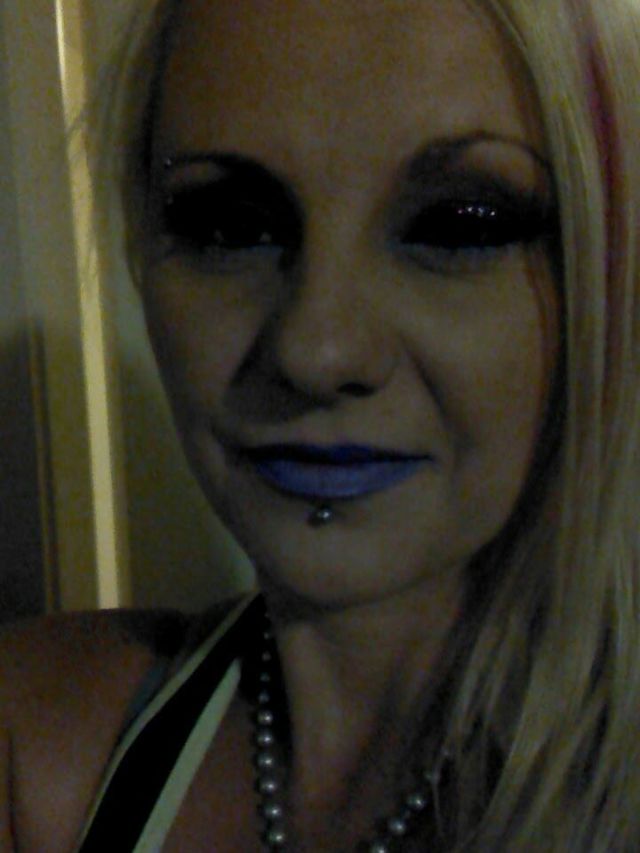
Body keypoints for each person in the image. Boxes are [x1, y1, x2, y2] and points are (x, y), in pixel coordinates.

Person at [2, 0, 640, 849]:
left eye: (458, 225)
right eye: (231, 226)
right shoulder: (38, 749)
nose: (315, 348)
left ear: (603, 261)